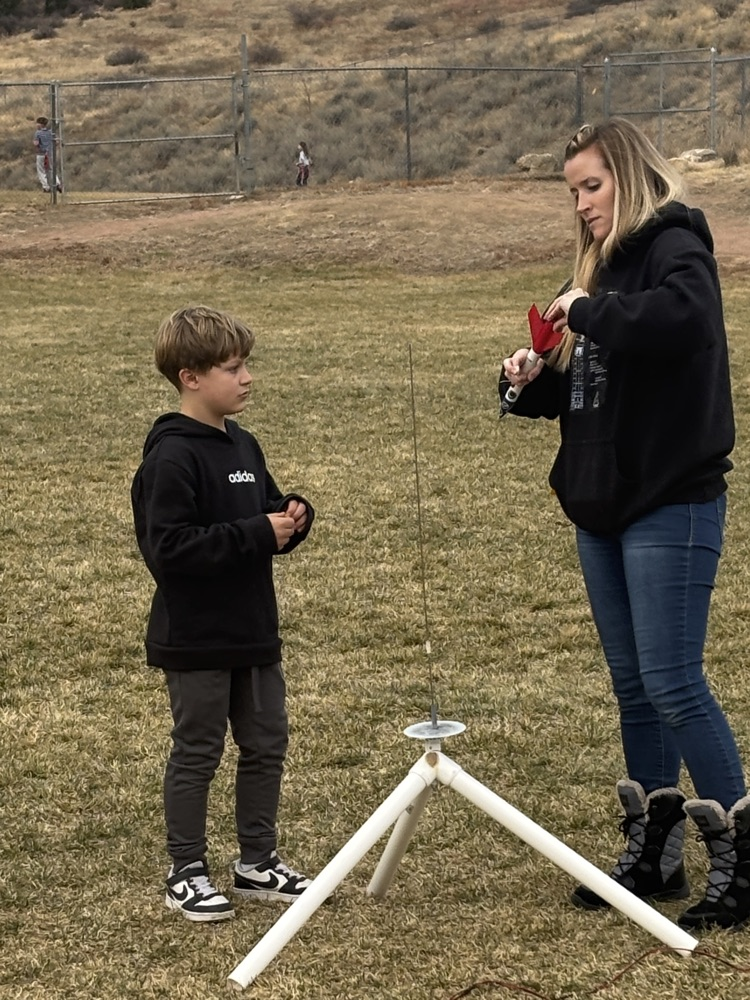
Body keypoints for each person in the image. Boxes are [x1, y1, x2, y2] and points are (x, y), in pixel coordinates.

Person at [499, 117, 750, 931]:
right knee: (635, 686)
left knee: (674, 680)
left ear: (631, 176)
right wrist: (529, 379)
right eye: (572, 191)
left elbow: (681, 323)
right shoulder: (598, 271)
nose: (582, 205)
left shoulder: (677, 241)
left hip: (670, 497)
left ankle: (743, 857)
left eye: (593, 186)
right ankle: (655, 854)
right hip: (601, 503)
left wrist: (590, 312)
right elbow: (590, 390)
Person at [131, 305, 315, 922]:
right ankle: (185, 870)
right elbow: (170, 548)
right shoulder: (171, 457)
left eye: (246, 365)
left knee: (265, 742)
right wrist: (255, 532)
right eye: (232, 368)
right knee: (198, 750)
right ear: (190, 376)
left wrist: (292, 517)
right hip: (196, 639)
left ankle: (257, 861)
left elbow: (263, 510)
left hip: (253, 632)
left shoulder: (243, 443)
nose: (246, 378)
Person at [33, 116, 61, 194]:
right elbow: (57, 142)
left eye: (37, 123)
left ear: (40, 124)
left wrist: (37, 147)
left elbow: (36, 143)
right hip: (50, 154)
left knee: (41, 171)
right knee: (51, 170)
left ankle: (46, 187)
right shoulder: (50, 132)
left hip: (41, 154)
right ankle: (58, 184)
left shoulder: (37, 133)